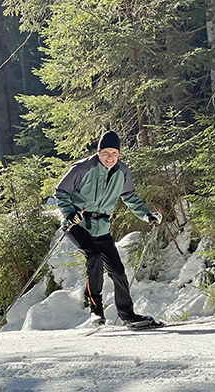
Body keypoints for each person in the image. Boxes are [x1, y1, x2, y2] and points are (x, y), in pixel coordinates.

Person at [54, 131, 163, 328]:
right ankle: (96, 312)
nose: (110, 157)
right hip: (77, 224)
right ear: (98, 152)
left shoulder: (122, 171)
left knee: (118, 272)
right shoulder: (82, 168)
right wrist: (70, 213)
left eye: (114, 153)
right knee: (93, 256)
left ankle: (128, 315)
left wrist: (147, 215)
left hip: (101, 226)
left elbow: (129, 196)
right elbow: (60, 192)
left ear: (119, 154)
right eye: (106, 152)